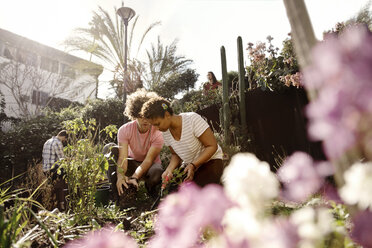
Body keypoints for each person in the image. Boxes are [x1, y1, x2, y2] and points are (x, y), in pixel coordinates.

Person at [141, 97, 224, 187]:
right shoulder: (165, 132)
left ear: (167, 115)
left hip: (211, 162)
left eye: (157, 124)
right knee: (173, 192)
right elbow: (175, 155)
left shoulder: (191, 119)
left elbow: (212, 146)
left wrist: (193, 165)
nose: (156, 129)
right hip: (190, 167)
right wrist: (168, 170)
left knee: (195, 194)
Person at [116, 88, 164, 198]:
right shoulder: (124, 130)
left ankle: (150, 190)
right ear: (134, 115)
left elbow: (148, 160)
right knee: (111, 149)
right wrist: (120, 175)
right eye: (140, 116)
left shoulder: (158, 132)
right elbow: (122, 158)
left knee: (157, 173)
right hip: (132, 163)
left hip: (151, 165)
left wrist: (134, 177)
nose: (145, 120)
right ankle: (119, 192)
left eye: (148, 116)